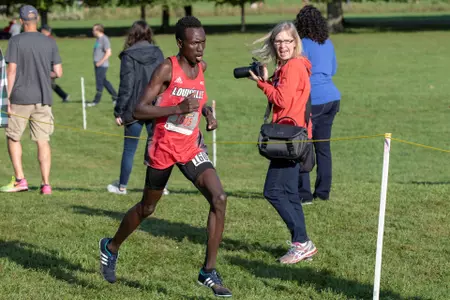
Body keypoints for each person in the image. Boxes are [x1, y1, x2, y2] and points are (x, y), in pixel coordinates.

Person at [98, 16, 232, 298]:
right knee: (147, 208)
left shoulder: (202, 67)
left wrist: (206, 113)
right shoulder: (166, 69)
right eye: (195, 43)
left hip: (191, 148)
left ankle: (208, 271)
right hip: (163, 149)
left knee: (219, 198)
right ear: (180, 43)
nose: (200, 48)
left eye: (203, 42)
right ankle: (111, 247)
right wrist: (178, 108)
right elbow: (139, 110)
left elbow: (199, 98)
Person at [248, 21, 317, 264]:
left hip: (289, 140)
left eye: (287, 41)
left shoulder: (294, 67)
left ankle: (302, 243)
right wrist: (271, 79)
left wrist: (261, 84)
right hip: (293, 138)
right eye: (278, 41)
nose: (282, 46)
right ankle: (303, 243)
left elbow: (282, 100)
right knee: (288, 192)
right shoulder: (291, 66)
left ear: (295, 43)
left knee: (273, 192)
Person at [0, 5, 62, 195]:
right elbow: (58, 72)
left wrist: (7, 98)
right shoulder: (49, 41)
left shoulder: (16, 41)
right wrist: (44, 74)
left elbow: (11, 71)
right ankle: (46, 185)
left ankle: (20, 180)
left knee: (13, 137)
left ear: (21, 21)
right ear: (36, 21)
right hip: (43, 98)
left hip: (20, 98)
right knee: (42, 140)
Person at [106, 20, 166, 195]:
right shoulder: (157, 52)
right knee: (156, 147)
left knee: (130, 149)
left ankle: (122, 186)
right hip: (155, 107)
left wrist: (119, 112)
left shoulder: (128, 55)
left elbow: (127, 85)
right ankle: (160, 188)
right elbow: (164, 82)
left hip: (135, 109)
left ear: (132, 34)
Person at [295, 5, 341, 204]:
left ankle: (304, 195)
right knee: (323, 148)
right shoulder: (328, 43)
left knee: (303, 147)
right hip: (332, 98)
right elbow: (333, 69)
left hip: (313, 101)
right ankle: (323, 193)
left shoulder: (301, 45)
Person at [86, 23, 117, 107]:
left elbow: (108, 53)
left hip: (102, 65)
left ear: (98, 30)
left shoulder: (104, 39)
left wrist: (100, 62)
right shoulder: (98, 39)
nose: (92, 31)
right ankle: (115, 97)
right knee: (104, 82)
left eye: (93, 30)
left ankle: (96, 101)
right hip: (97, 65)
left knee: (99, 82)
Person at [40, 25, 70, 103]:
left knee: (48, 83)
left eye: (42, 31)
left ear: (45, 31)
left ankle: (63, 96)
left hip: (50, 65)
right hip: (48, 64)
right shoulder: (47, 39)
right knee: (49, 83)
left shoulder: (48, 40)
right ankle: (64, 95)